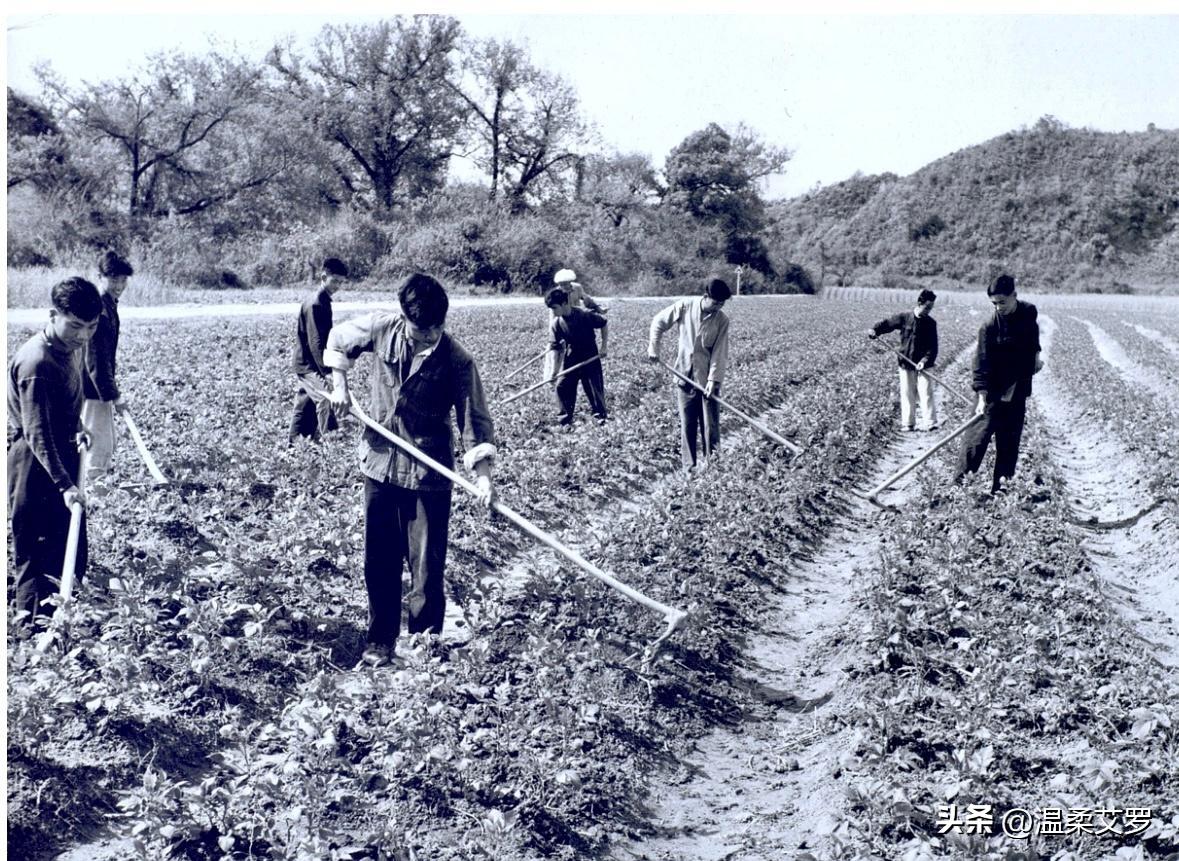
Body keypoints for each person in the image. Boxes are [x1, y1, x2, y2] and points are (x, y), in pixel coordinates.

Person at [325, 273, 497, 667]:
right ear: (404, 318)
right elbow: (338, 340)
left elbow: (476, 421)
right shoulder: (382, 328)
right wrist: (340, 385)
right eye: (420, 333)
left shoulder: (457, 359)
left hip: (429, 473)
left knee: (426, 567)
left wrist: (483, 478)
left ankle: (424, 643)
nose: (427, 339)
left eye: (435, 331)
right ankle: (380, 641)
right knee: (379, 559)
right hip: (380, 462)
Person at [8, 277, 103, 629]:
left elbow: (64, 401)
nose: (84, 335)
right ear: (53, 314)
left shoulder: (70, 346)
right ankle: (32, 632)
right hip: (34, 461)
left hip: (62, 451)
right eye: (76, 325)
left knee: (68, 544)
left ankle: (65, 616)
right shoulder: (37, 363)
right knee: (36, 547)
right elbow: (37, 432)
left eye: (91, 326)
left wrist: (78, 424)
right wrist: (65, 485)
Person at [954, 274, 1044, 493]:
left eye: (1002, 302)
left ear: (1014, 296)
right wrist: (982, 398)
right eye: (994, 303)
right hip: (992, 392)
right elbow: (981, 363)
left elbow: (1032, 341)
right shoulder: (989, 327)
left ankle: (1001, 491)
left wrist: (1035, 359)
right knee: (975, 441)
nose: (998, 307)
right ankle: (959, 490)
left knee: (1009, 443)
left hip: (1017, 391)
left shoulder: (1028, 313)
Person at [648, 278, 732, 470]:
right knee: (687, 424)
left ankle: (713, 466)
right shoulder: (685, 306)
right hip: (684, 375)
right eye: (715, 303)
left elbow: (720, 351)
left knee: (710, 426)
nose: (718, 307)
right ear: (705, 297)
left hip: (707, 379)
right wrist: (654, 346)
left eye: (722, 304)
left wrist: (713, 380)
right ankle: (689, 468)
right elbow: (659, 321)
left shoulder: (722, 320)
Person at [82, 250, 133, 476]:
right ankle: (94, 490)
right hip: (92, 388)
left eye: (123, 280)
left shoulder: (108, 304)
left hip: (97, 387)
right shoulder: (99, 311)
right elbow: (96, 361)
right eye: (114, 279)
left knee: (105, 439)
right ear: (100, 277)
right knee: (98, 441)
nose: (119, 285)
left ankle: (98, 482)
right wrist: (114, 394)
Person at [289, 257, 349, 442]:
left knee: (305, 402)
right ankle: (331, 443)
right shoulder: (315, 303)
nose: (338, 285)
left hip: (310, 362)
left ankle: (295, 445)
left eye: (341, 282)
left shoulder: (323, 300)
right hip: (308, 365)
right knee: (326, 398)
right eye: (335, 281)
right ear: (324, 276)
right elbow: (316, 342)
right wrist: (327, 372)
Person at [868, 289, 940, 432]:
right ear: (919, 303)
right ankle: (908, 423)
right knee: (907, 393)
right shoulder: (904, 317)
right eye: (927, 307)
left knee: (926, 392)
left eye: (931, 308)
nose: (928, 311)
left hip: (924, 365)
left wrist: (924, 361)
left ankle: (930, 423)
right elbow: (887, 324)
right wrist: (875, 330)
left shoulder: (931, 323)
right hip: (905, 362)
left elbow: (933, 347)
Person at [543, 286, 609, 425]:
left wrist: (603, 347)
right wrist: (554, 372)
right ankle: (565, 420)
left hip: (589, 353)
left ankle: (601, 417)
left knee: (593, 387)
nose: (553, 312)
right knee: (562, 386)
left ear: (564, 303)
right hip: (571, 356)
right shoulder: (557, 324)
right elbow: (556, 349)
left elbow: (603, 323)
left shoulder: (584, 315)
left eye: (554, 308)